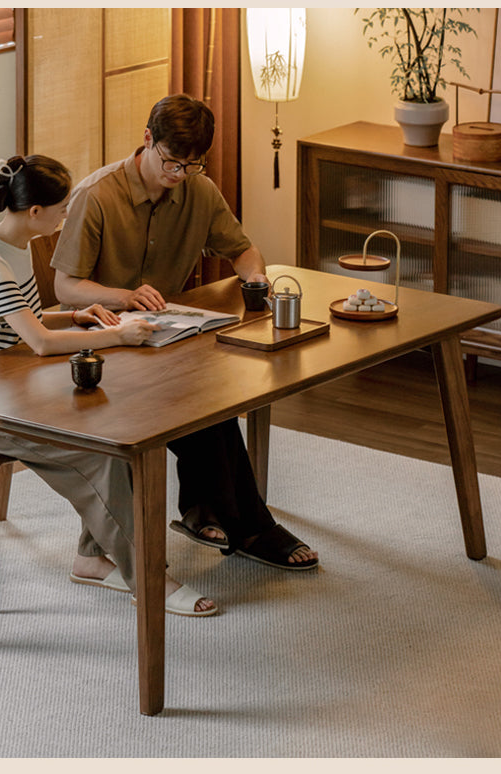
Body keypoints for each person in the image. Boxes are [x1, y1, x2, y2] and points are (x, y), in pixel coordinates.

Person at [50, 93, 319, 572]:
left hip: (169, 337)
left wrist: (254, 277)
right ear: (148, 140)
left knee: (212, 393)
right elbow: (65, 286)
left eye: (190, 167)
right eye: (172, 163)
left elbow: (243, 250)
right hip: (106, 344)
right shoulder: (98, 196)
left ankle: (214, 515)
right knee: (200, 401)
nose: (179, 176)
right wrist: (123, 295)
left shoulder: (200, 190)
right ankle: (246, 524)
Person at [0, 154, 217, 616]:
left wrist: (76, 315)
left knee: (123, 431)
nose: (67, 214)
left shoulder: (12, 246)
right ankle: (151, 580)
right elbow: (37, 342)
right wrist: (119, 334)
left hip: (12, 392)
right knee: (100, 453)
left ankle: (91, 559)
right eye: (63, 207)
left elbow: (22, 322)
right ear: (36, 212)